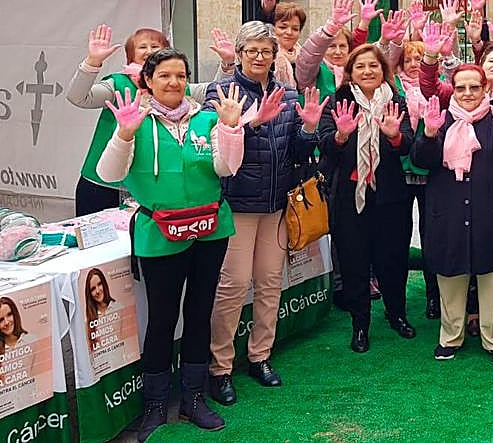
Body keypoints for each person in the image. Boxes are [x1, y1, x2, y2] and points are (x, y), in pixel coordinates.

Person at [95, 49, 247, 438]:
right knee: (162, 319)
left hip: (210, 230)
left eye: (180, 75)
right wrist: (124, 134)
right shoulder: (135, 119)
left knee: (200, 312)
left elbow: (226, 167)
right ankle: (156, 403)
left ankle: (194, 397)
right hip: (159, 233)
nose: (174, 83)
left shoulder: (207, 118)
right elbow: (108, 173)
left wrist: (231, 128)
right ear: (147, 80)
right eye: (164, 75)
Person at [205, 22, 323, 406]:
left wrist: (308, 128)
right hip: (237, 206)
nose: (259, 58)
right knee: (234, 287)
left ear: (275, 57)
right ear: (238, 54)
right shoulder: (220, 93)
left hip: (276, 206)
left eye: (266, 51)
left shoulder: (287, 95)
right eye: (252, 51)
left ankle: (261, 356)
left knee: (271, 283)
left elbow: (299, 151)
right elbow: (215, 146)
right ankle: (220, 367)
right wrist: (252, 123)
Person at [410, 65, 493, 363]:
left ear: (484, 89)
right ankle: (450, 336)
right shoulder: (439, 117)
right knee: (450, 279)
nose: (467, 94)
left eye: (474, 87)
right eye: (461, 87)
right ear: (453, 89)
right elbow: (421, 161)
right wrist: (428, 133)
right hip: (449, 215)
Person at [69, 26, 234, 216]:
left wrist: (228, 63)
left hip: (155, 192)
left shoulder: (179, 87)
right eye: (142, 47)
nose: (149, 51)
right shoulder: (118, 84)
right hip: (104, 185)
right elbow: (78, 97)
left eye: (155, 46)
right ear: (130, 55)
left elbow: (220, 91)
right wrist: (93, 61)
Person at [318, 44, 416, 354]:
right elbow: (325, 147)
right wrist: (341, 136)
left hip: (391, 195)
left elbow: (408, 145)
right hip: (349, 197)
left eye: (373, 66)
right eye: (360, 67)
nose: (368, 72)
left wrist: (394, 136)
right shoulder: (338, 101)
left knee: (393, 260)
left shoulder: (395, 101)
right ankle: (360, 324)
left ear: (383, 70)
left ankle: (396, 313)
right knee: (354, 261)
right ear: (350, 72)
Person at [395, 40, 440, 318]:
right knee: (398, 235)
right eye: (409, 59)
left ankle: (434, 296)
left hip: (429, 170)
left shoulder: (436, 86)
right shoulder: (394, 86)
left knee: (431, 235)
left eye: (419, 58)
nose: (414, 64)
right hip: (400, 170)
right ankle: (396, 302)